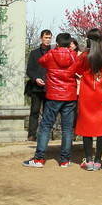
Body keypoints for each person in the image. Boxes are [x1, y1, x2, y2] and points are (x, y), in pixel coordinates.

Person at [23, 31, 80, 167]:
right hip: (69, 96)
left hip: (53, 95)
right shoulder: (74, 56)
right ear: (70, 43)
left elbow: (41, 62)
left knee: (45, 127)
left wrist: (55, 52)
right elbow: (80, 69)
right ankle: (65, 160)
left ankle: (39, 159)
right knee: (67, 129)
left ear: (57, 43)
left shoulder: (51, 54)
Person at [74, 29, 102, 170]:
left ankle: (89, 160)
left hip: (87, 95)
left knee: (87, 128)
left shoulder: (85, 56)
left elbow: (76, 70)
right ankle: (98, 160)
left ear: (88, 40)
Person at [25, 29, 52, 142]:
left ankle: (45, 136)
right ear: (41, 38)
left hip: (49, 87)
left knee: (48, 113)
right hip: (36, 87)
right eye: (46, 37)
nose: (48, 40)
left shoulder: (53, 52)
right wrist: (35, 79)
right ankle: (31, 135)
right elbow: (29, 70)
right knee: (34, 111)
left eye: (50, 38)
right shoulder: (34, 53)